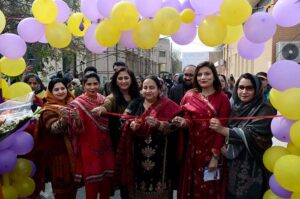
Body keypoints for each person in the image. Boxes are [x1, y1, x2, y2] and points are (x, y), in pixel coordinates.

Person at [209, 73, 275, 199]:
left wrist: (222, 129)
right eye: (241, 87)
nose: (244, 91)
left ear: (256, 90)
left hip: (253, 163)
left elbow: (252, 133)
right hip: (233, 163)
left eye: (249, 88)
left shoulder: (265, 109)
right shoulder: (235, 107)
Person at [172, 61, 231, 199]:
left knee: (208, 189)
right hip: (192, 151)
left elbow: (221, 130)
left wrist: (215, 157)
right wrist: (182, 122)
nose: (202, 77)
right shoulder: (190, 95)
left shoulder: (222, 98)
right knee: (191, 188)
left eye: (207, 74)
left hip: (212, 150)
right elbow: (188, 119)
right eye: (199, 75)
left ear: (214, 76)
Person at [116, 75, 181, 199]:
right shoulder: (135, 103)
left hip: (162, 157)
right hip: (137, 155)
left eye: (152, 87)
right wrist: (131, 124)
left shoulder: (169, 105)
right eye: (145, 88)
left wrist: (160, 125)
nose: (148, 91)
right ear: (141, 90)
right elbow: (122, 121)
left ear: (159, 89)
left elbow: (176, 126)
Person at [92, 68, 140, 199]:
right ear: (116, 81)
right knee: (125, 175)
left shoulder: (139, 96)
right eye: (120, 78)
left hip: (139, 141)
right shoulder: (112, 98)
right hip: (120, 142)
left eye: (126, 78)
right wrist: (101, 109)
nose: (123, 81)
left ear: (132, 80)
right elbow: (106, 105)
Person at [69, 72, 115, 199]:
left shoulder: (105, 101)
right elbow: (76, 130)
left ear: (99, 84)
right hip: (89, 147)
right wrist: (77, 119)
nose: (92, 87)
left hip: (106, 146)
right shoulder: (77, 103)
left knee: (106, 183)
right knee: (92, 185)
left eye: (95, 84)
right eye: (88, 84)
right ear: (83, 86)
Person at [36, 78, 77, 199]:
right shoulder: (48, 110)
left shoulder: (73, 104)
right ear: (50, 92)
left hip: (74, 153)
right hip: (58, 157)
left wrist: (78, 118)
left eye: (63, 88)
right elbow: (53, 128)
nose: (60, 92)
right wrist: (63, 120)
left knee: (73, 189)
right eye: (56, 89)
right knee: (62, 191)